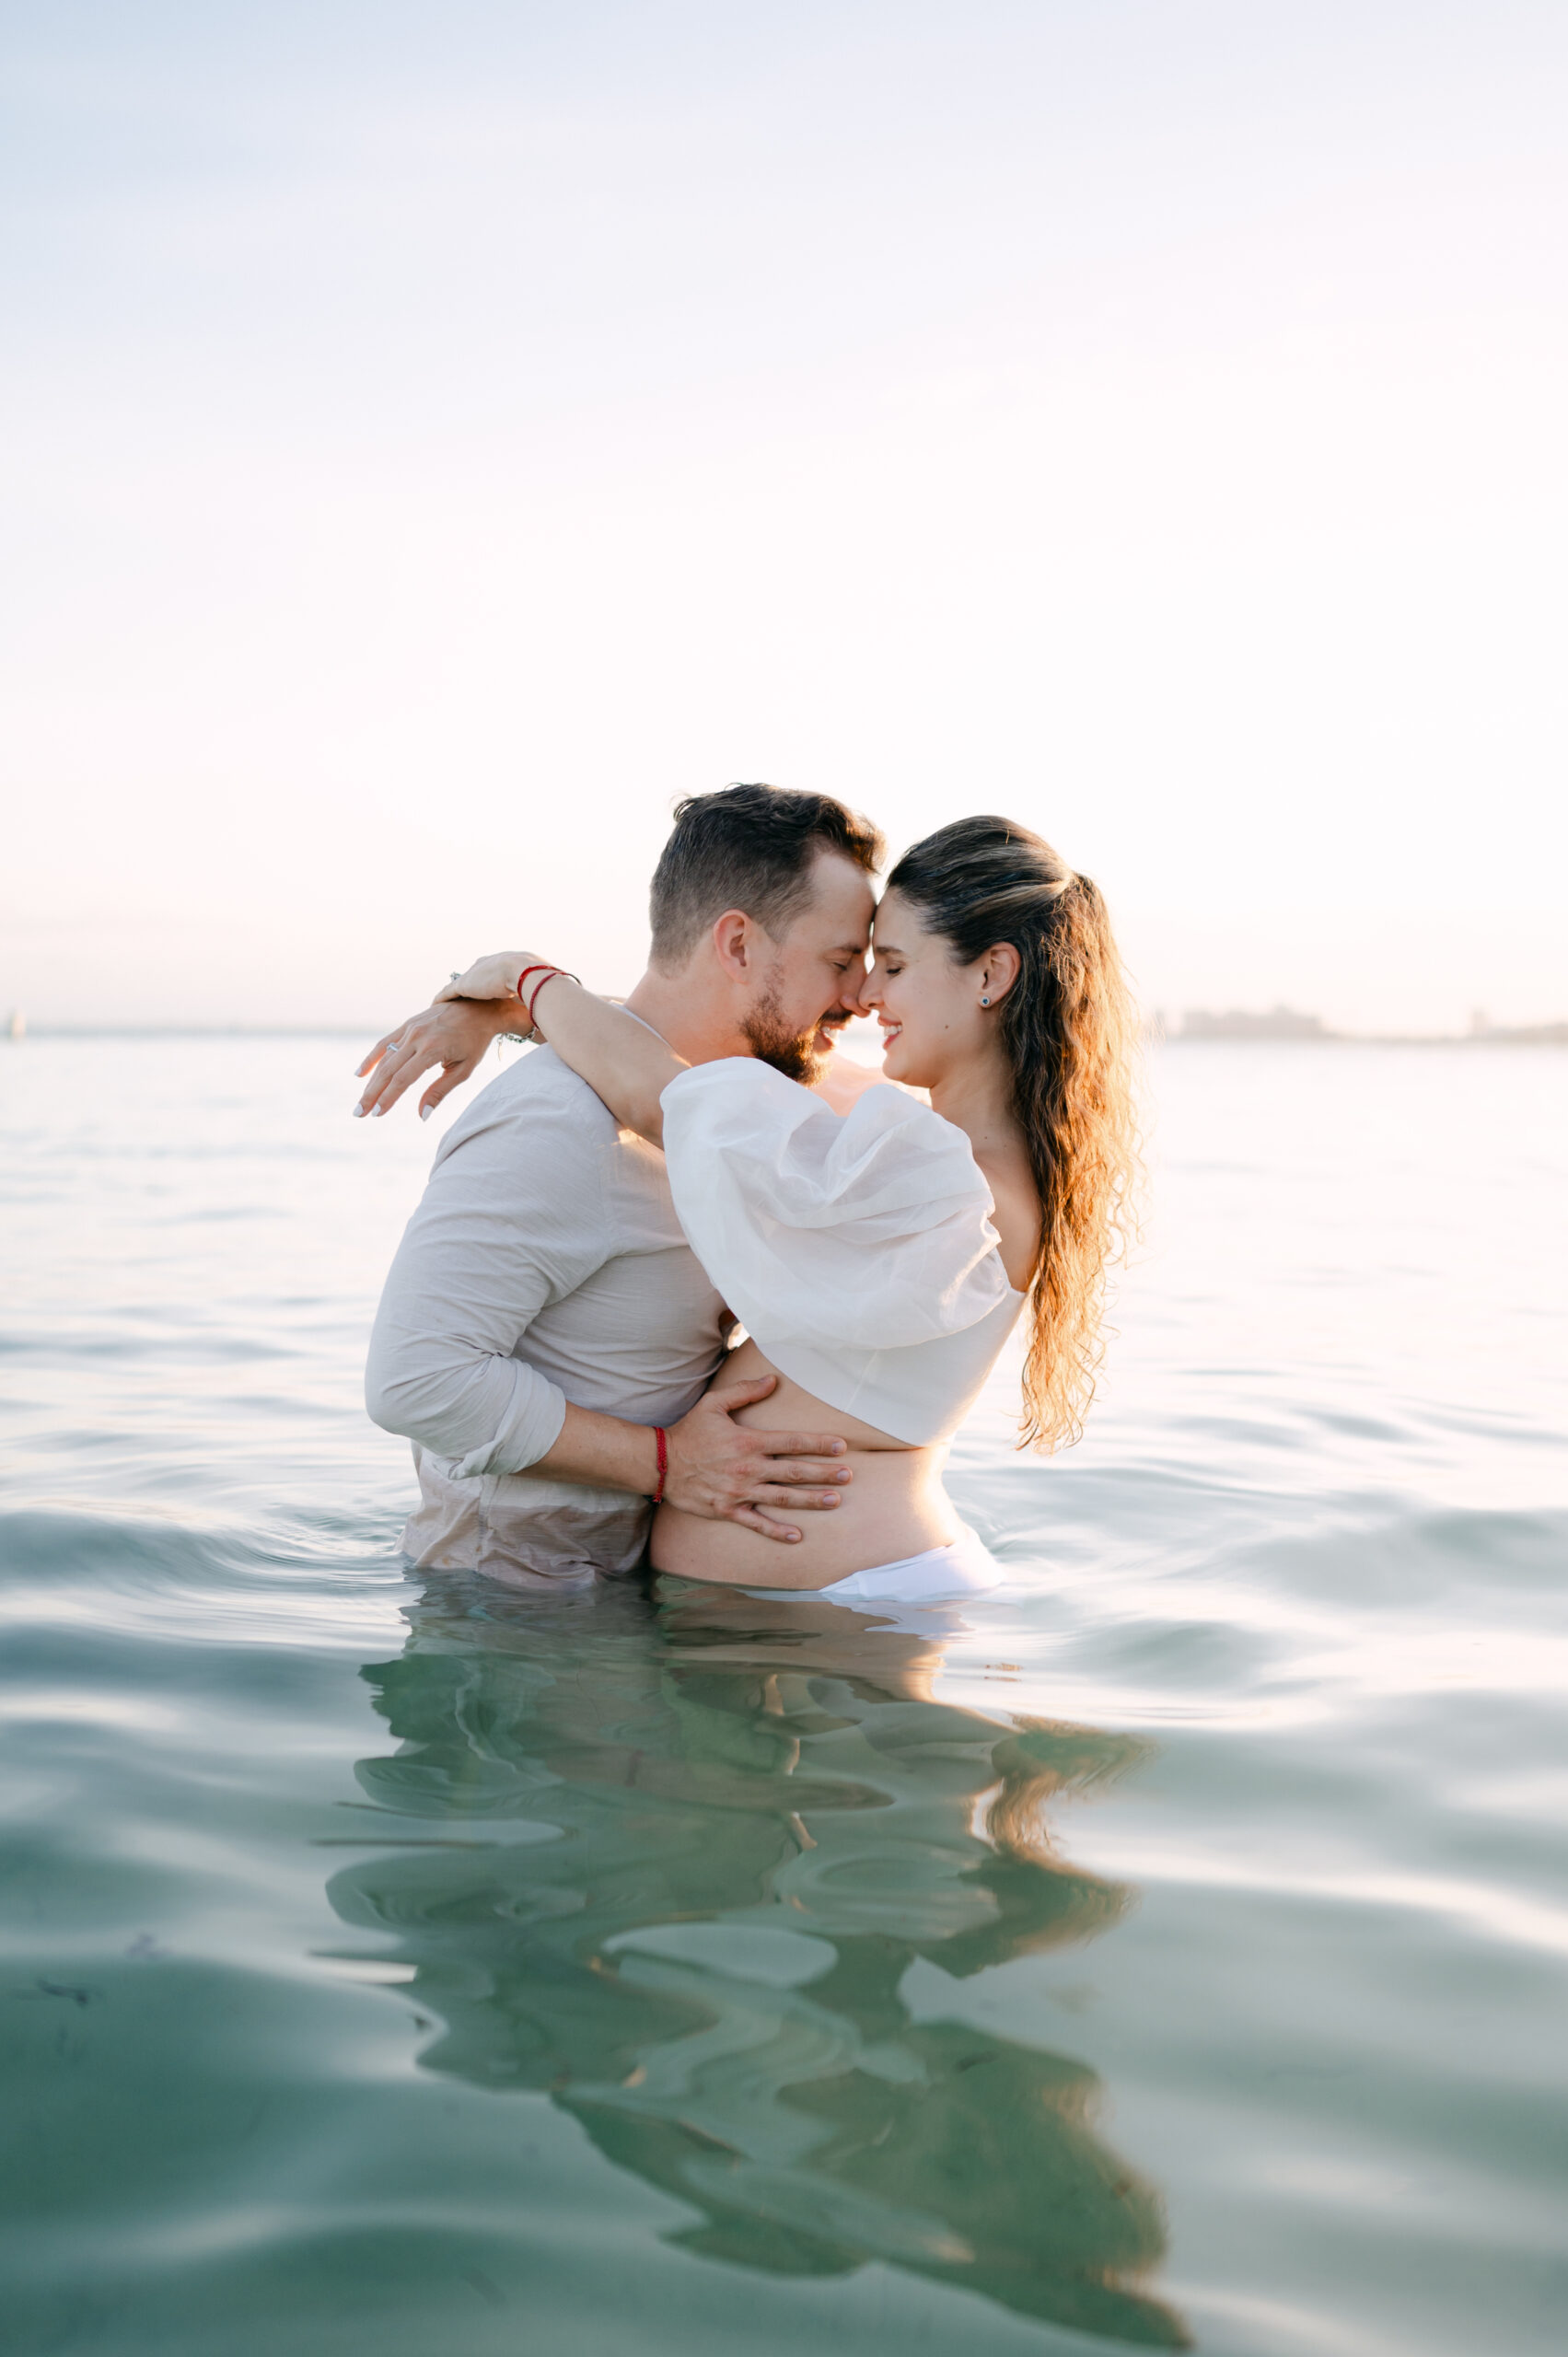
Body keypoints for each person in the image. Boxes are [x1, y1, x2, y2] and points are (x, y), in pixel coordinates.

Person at [399, 816, 1140, 1605]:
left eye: (891, 964)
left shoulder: (950, 1175)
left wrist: (528, 980)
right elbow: (699, 1060)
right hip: (826, 1601)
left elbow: (674, 1102)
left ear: (990, 973)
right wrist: (511, 1011)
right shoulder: (921, 1141)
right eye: (856, 963)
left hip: (855, 1600)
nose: (866, 994)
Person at [357, 784, 886, 1591]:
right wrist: (667, 1464)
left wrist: (515, 992)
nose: (859, 997)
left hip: (627, 1593)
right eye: (841, 961)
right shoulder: (556, 1124)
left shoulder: (735, 1107)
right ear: (738, 946)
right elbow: (414, 1380)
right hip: (514, 1613)